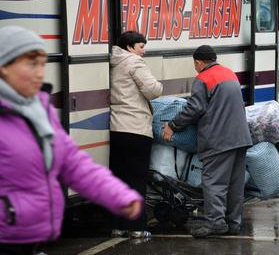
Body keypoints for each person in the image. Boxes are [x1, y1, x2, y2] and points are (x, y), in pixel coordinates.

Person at [0, 26, 144, 254]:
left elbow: (75, 165)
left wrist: (119, 196)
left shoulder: (39, 111)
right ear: (4, 66)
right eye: (30, 63)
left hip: (28, 240)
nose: (40, 73)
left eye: (42, 64)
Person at [162, 45, 252, 238]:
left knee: (214, 182)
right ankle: (233, 223)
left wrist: (172, 125)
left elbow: (194, 108)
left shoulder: (203, 78)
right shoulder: (229, 74)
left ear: (198, 62)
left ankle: (215, 223)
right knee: (235, 184)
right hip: (241, 138)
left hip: (219, 139)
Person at [109, 31, 163, 238]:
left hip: (116, 128)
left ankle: (117, 225)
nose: (144, 51)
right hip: (136, 128)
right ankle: (136, 227)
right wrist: (160, 85)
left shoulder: (113, 62)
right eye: (141, 46)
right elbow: (153, 90)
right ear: (130, 47)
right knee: (136, 179)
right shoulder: (134, 63)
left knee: (118, 179)